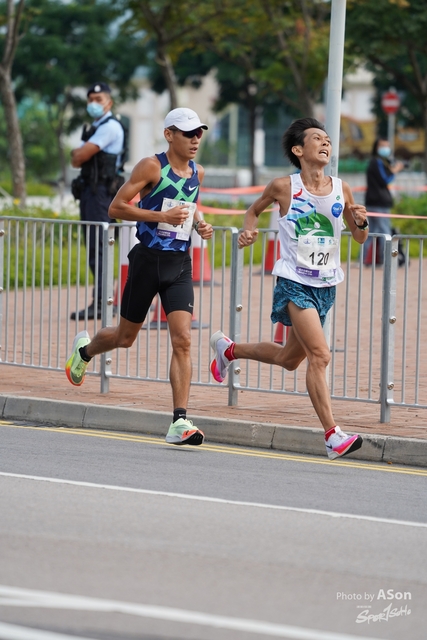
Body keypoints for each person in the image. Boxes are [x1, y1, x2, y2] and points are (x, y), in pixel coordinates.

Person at [210, 117, 369, 460]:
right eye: (317, 139)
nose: (326, 144)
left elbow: (358, 236)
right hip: (293, 281)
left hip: (327, 284)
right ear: (299, 150)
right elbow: (252, 212)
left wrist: (362, 223)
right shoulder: (284, 186)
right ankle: (332, 435)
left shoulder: (342, 188)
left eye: (328, 140)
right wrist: (248, 231)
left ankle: (228, 350)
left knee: (288, 359)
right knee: (320, 355)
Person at [66, 107, 213, 446]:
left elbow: (187, 209)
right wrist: (159, 214)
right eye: (188, 133)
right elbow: (116, 208)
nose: (195, 139)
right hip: (146, 261)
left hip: (179, 265)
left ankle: (180, 420)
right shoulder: (151, 166)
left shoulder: (197, 172)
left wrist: (201, 225)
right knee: (125, 337)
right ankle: (86, 351)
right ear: (169, 135)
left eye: (199, 133)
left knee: (183, 340)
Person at [70, 82, 126, 320]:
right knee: (96, 247)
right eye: (90, 99)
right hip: (92, 192)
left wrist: (79, 154)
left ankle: (103, 303)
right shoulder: (96, 126)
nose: (93, 103)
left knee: (99, 247)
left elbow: (79, 155)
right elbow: (76, 159)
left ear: (109, 102)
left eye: (98, 99)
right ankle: (104, 301)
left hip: (100, 192)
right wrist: (78, 155)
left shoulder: (109, 127)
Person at [363, 138, 404, 266]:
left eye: (387, 146)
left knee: (369, 233)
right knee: (385, 233)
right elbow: (385, 180)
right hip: (379, 203)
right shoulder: (377, 162)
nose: (386, 148)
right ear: (376, 147)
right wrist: (395, 171)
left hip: (373, 202)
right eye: (383, 146)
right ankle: (385, 261)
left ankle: (362, 260)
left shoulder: (379, 162)